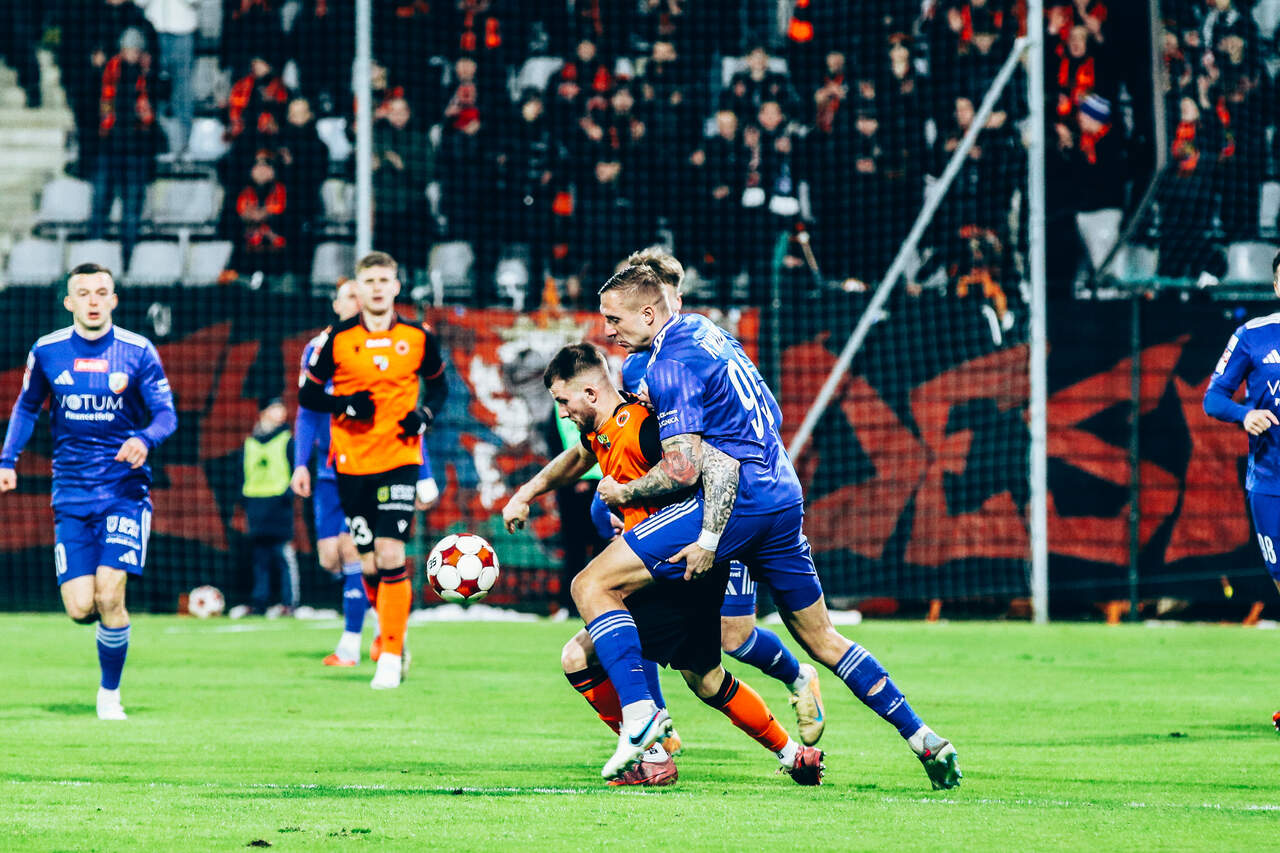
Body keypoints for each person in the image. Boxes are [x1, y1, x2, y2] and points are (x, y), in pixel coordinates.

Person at [573, 262, 961, 788]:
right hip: (782, 493)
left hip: (738, 499)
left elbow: (683, 469)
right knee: (822, 638)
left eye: (614, 319)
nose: (608, 331)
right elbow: (769, 412)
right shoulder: (709, 332)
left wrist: (627, 493)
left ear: (647, 313)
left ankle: (640, 713)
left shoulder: (668, 366)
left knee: (593, 584)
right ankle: (924, 739)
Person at [501, 343, 823, 787]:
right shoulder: (602, 431)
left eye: (564, 401)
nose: (562, 412)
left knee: (580, 647)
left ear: (591, 393)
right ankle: (794, 754)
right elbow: (578, 458)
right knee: (707, 680)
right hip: (677, 571)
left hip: (673, 568)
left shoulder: (645, 427)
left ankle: (649, 744)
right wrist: (526, 493)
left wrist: (700, 534)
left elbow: (708, 468)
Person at [611, 247, 824, 747]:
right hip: (680, 509)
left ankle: (798, 677)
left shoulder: (694, 349)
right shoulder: (636, 368)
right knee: (633, 606)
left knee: (735, 635)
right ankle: (654, 728)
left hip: (731, 507)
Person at [0, 263, 177, 720]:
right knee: (82, 607)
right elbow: (26, 407)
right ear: (69, 302)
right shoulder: (48, 350)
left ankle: (109, 695)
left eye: (102, 292)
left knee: (110, 593)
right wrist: (7, 460)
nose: (93, 300)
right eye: (84, 293)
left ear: (114, 300)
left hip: (124, 491)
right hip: (71, 494)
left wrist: (145, 439)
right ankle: (110, 629)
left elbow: (166, 414)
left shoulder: (137, 351)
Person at [299, 251, 447, 689]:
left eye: (385, 280)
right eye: (370, 281)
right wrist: (344, 404)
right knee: (367, 564)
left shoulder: (418, 336)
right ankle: (391, 633)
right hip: (351, 464)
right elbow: (309, 396)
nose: (378, 288)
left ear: (396, 286)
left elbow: (440, 387)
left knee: (390, 553)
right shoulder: (337, 339)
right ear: (358, 289)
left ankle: (390, 656)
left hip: (400, 459)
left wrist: (424, 416)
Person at [1203, 249, 1280, 732]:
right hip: (1271, 484)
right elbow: (1213, 398)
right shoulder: (1253, 335)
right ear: (1276, 285)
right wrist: (1244, 415)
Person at [240, 397, 297, 616]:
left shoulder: (287, 440)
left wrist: (288, 495)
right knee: (259, 558)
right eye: (274, 408)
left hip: (279, 506)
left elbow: (296, 470)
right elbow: (242, 474)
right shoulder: (250, 443)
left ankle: (289, 603)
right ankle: (259, 602)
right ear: (263, 412)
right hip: (256, 507)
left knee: (283, 555)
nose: (280, 412)